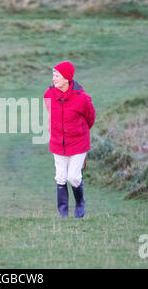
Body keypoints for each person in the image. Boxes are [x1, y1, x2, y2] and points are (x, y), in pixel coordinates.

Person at [43, 61, 95, 218]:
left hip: (78, 143)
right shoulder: (48, 94)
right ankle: (63, 212)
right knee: (60, 177)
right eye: (53, 75)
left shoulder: (82, 98)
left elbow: (90, 118)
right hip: (58, 143)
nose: (54, 78)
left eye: (57, 75)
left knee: (73, 177)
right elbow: (50, 114)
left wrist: (78, 131)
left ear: (67, 77)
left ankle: (80, 203)